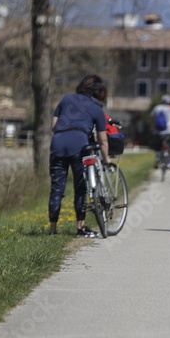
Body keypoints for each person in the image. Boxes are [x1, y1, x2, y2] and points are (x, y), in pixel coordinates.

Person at [49, 74, 110, 237]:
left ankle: (53, 229)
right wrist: (106, 159)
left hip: (58, 142)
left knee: (57, 188)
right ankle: (80, 227)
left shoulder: (66, 99)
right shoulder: (97, 108)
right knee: (80, 187)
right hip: (79, 143)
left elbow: (53, 126)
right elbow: (103, 140)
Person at [151, 94, 170, 168]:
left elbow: (152, 118)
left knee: (158, 146)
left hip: (158, 131)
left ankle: (157, 158)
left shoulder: (156, 108)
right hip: (169, 131)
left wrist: (152, 128)